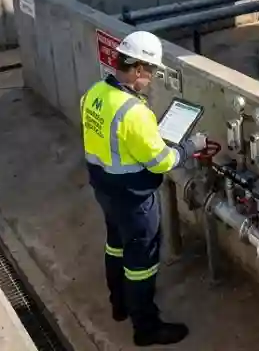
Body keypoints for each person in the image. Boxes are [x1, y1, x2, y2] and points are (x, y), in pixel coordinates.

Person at [81, 30, 206, 346]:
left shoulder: (94, 93)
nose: (150, 80)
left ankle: (119, 306)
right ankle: (146, 328)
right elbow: (162, 161)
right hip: (134, 198)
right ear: (137, 69)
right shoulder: (135, 113)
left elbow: (110, 141)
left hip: (103, 187)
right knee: (141, 262)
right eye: (149, 73)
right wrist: (191, 146)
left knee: (115, 246)